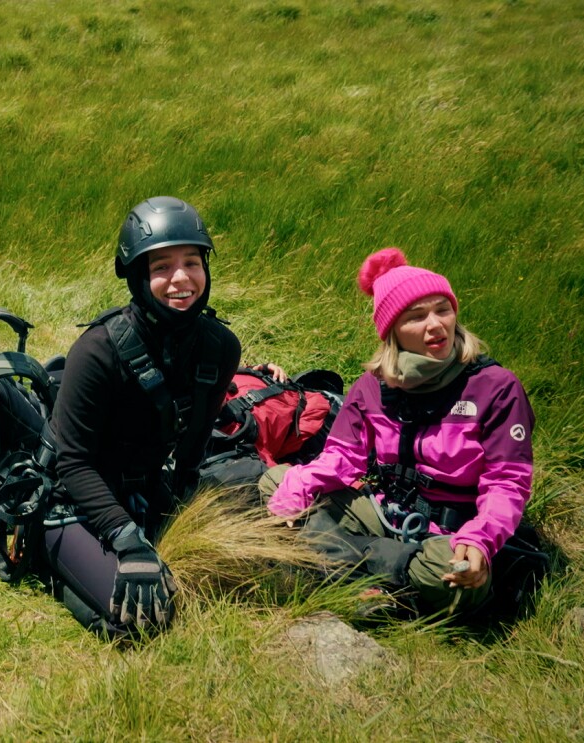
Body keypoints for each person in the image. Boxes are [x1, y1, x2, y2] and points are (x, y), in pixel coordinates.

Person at [263, 248, 536, 615]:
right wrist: (301, 485)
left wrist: (481, 539)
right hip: (387, 515)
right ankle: (386, 583)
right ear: (392, 330)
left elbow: (507, 482)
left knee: (447, 569)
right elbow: (343, 458)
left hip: (455, 536)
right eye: (416, 316)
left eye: (443, 309)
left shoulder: (496, 387)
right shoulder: (371, 387)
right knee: (277, 480)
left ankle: (345, 572)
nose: (436, 325)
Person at [41, 196, 241, 637]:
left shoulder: (220, 346)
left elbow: (193, 450)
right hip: (75, 499)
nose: (181, 278)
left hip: (147, 487)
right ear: (136, 276)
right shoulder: (97, 351)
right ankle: (53, 562)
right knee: (139, 621)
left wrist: (187, 508)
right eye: (161, 267)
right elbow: (72, 462)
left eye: (192, 261)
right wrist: (127, 539)